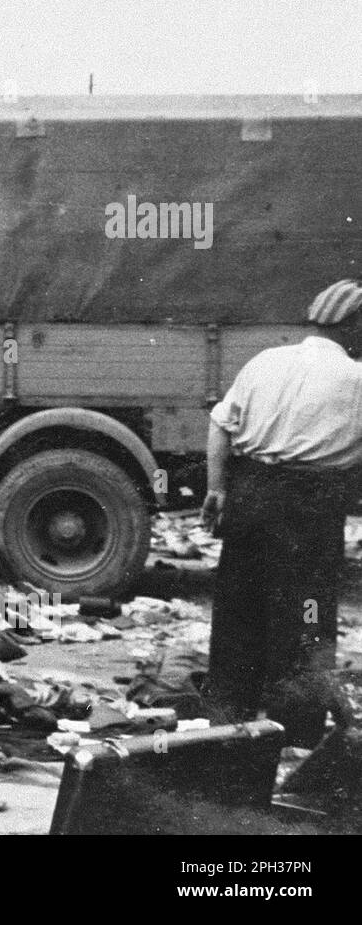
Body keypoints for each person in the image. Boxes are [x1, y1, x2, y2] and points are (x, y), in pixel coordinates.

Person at [200, 278, 362, 747]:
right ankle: (296, 736)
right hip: (309, 507)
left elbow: (219, 425)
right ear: (353, 327)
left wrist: (217, 489)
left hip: (250, 496)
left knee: (237, 612)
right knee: (306, 617)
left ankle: (226, 730)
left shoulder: (265, 361)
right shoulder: (354, 380)